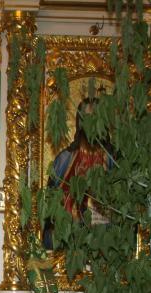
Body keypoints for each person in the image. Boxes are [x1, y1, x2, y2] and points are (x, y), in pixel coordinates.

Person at [43, 96, 114, 249]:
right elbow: (50, 203)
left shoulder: (111, 160)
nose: (92, 124)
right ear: (80, 122)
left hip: (103, 235)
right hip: (71, 233)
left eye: (96, 118)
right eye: (87, 118)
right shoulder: (65, 159)